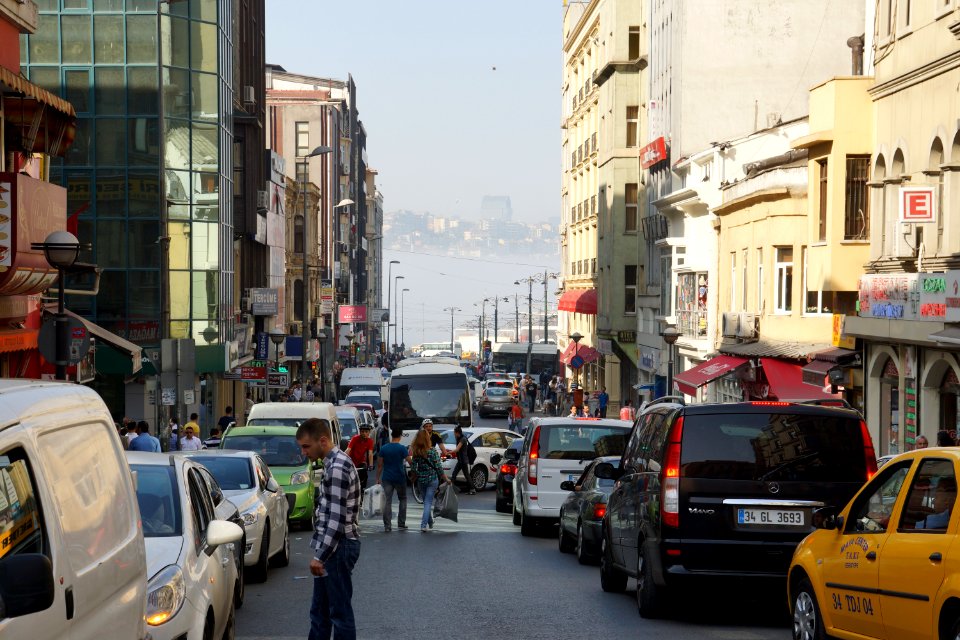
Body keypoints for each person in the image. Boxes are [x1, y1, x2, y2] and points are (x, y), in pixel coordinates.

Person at [296, 418, 360, 640]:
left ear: (322, 441)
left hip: (337, 548)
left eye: (306, 446)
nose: (304, 453)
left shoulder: (337, 467)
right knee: (321, 612)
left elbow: (336, 519)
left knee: (338, 614)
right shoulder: (334, 463)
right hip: (333, 547)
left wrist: (320, 556)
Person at [409, 428, 450, 532]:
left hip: (421, 480)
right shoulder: (432, 451)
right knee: (428, 503)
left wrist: (413, 477)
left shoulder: (416, 451)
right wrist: (446, 479)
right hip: (432, 479)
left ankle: (430, 522)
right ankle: (423, 525)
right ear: (427, 438)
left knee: (425, 502)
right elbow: (438, 467)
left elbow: (413, 468)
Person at [375, 426, 408, 532]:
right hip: (400, 477)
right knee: (402, 499)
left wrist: (377, 478)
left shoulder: (384, 448)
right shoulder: (402, 448)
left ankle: (387, 526)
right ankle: (401, 523)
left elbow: (380, 465)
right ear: (400, 436)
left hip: (387, 478)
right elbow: (410, 461)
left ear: (392, 435)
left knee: (387, 501)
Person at [345, 424, 375, 499]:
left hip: (361, 461)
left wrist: (371, 465)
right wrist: (343, 459)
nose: (364, 433)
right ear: (360, 432)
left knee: (364, 474)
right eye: (362, 431)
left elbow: (370, 454)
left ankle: (362, 489)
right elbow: (348, 450)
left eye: (366, 432)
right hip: (351, 461)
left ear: (369, 432)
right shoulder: (355, 438)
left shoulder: (370, 441)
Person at [450, 426, 475, 495]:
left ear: (457, 433)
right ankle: (472, 489)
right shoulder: (459, 438)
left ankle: (472, 489)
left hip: (463, 460)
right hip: (461, 460)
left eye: (454, 432)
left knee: (460, 474)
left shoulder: (462, 439)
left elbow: (457, 449)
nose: (454, 434)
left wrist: (448, 452)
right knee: (462, 474)